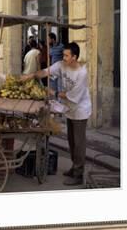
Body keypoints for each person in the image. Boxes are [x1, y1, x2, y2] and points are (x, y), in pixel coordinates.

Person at [21, 42, 92, 186]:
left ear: (74, 57)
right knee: (71, 141)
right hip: (69, 109)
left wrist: (53, 92)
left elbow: (72, 95)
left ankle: (78, 174)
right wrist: (31, 76)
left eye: (66, 55)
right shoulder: (61, 65)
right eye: (63, 55)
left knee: (79, 143)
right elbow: (46, 71)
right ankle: (74, 167)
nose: (63, 57)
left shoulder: (81, 73)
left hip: (80, 109)